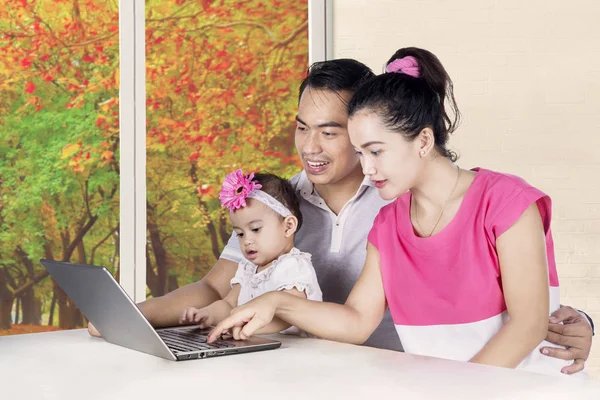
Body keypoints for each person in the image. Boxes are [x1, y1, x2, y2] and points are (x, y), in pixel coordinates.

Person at [88, 57, 593, 374]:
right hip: (344, 371)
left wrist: (581, 320)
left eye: (333, 134)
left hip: (452, 378)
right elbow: (347, 318)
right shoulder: (306, 204)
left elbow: (523, 316)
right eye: (302, 128)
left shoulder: (446, 197)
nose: (312, 147)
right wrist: (135, 315)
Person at [178, 170, 322, 334]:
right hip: (262, 348)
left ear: (288, 226)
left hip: (297, 351)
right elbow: (229, 305)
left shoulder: (292, 266)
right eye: (240, 233)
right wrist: (206, 314)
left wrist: (244, 328)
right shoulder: (247, 269)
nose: (247, 240)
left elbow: (288, 315)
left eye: (255, 229)